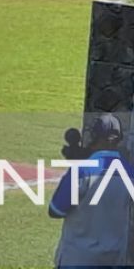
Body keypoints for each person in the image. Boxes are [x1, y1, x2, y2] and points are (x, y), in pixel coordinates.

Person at [49, 113, 133, 268]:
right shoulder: (130, 173)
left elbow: (55, 210)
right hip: (114, 258)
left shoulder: (81, 171)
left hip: (78, 258)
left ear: (93, 137)